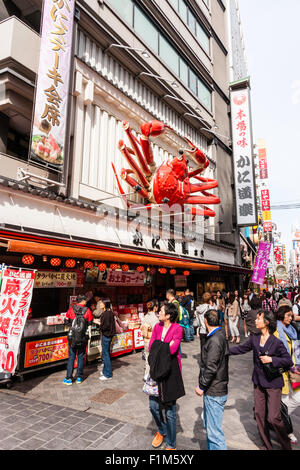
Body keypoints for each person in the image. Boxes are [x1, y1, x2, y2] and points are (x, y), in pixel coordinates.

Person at [230, 310, 293, 450]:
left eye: (259, 319)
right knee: (259, 414)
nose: (255, 321)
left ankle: (285, 444)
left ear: (267, 323)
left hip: (273, 383)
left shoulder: (276, 342)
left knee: (273, 418)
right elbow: (241, 349)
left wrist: (272, 359)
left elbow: (288, 361)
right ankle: (266, 445)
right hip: (258, 382)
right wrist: (225, 351)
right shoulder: (254, 338)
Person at [148, 302, 184, 450]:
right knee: (153, 406)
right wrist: (164, 346)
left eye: (161, 311)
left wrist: (159, 346)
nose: (159, 313)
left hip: (171, 371)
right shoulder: (157, 327)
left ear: (168, 315)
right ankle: (161, 430)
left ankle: (171, 443)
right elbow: (151, 346)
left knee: (170, 412)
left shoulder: (178, 329)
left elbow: (174, 349)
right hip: (156, 370)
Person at [195, 309, 229, 450]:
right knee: (211, 429)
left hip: (215, 390)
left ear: (206, 321)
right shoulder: (219, 335)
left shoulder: (215, 340)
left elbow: (211, 368)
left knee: (215, 434)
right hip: (216, 388)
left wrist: (202, 386)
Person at [274, 305, 300, 444]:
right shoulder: (276, 331)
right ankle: (286, 431)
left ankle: (276, 419)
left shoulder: (291, 330)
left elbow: (294, 349)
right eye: (288, 315)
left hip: (294, 369)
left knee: (298, 398)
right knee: (283, 402)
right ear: (282, 315)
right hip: (282, 372)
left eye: (292, 315)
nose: (291, 318)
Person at [63, 295, 93, 385]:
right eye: (85, 300)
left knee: (71, 357)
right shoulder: (87, 310)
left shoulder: (71, 310)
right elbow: (90, 322)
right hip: (83, 337)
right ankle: (79, 377)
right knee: (81, 357)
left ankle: (68, 378)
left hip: (72, 337)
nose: (86, 302)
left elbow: (66, 321)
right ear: (82, 301)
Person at [141, 301, 159, 381]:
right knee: (154, 359)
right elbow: (156, 331)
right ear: (155, 307)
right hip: (152, 340)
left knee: (148, 359)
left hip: (145, 340)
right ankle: (151, 375)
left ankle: (146, 374)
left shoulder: (145, 316)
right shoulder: (155, 318)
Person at [99, 300, 116, 381]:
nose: (100, 304)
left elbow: (105, 326)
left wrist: (100, 325)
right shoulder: (110, 312)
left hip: (106, 335)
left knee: (105, 355)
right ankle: (105, 370)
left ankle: (108, 374)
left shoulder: (106, 314)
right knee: (106, 353)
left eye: (101, 303)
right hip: (109, 335)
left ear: (105, 304)